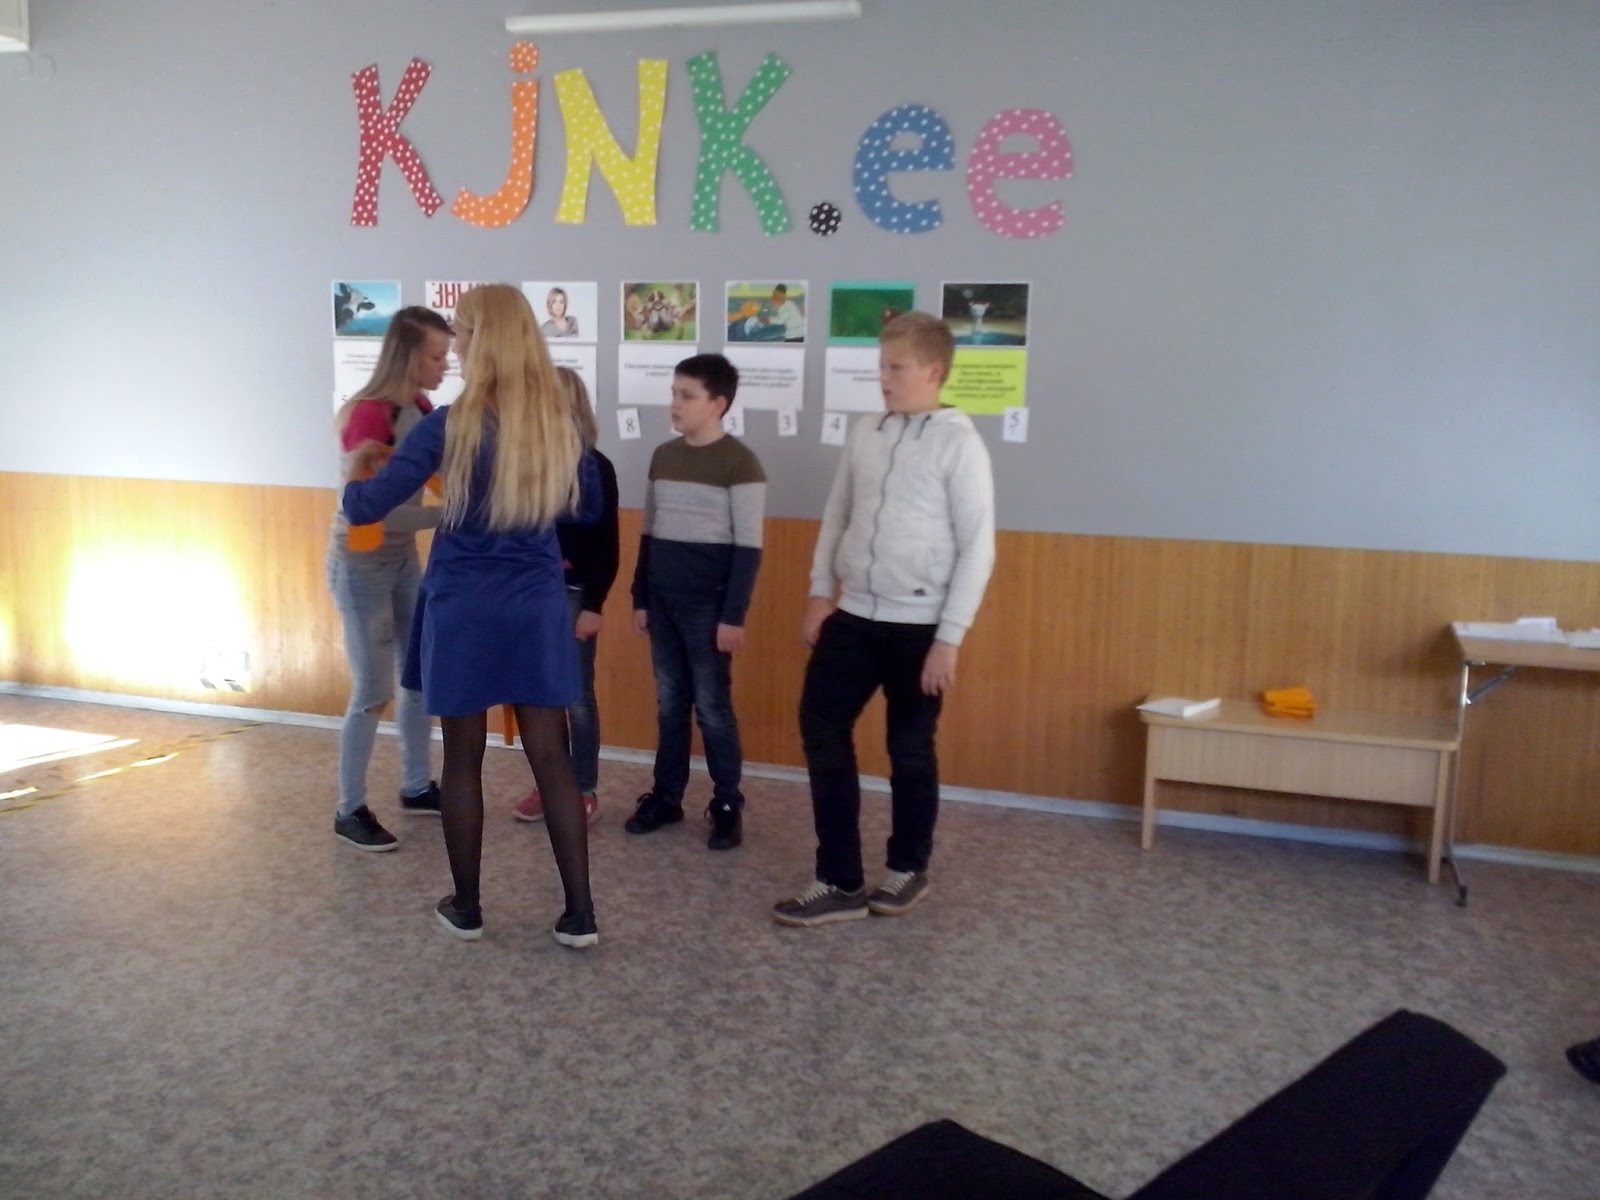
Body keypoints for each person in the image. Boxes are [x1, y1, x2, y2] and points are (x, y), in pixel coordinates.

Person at [342, 283, 603, 948]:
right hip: (535, 602)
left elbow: (365, 507)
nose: (454, 344)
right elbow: (589, 506)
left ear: (480, 341)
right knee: (552, 756)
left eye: (459, 331)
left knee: (462, 757)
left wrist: (355, 472)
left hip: (464, 605)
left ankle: (467, 907)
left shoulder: (448, 425)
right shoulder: (554, 423)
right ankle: (579, 915)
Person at [773, 311, 996, 927]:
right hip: (856, 614)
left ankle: (907, 867)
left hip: (921, 627)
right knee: (821, 725)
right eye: (881, 366)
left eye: (897, 368)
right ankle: (839, 879)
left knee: (909, 746)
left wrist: (949, 638)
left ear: (934, 372)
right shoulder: (866, 432)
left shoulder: (959, 443)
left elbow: (978, 547)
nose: (884, 378)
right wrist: (820, 593)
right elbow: (837, 514)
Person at [628, 353, 766, 850]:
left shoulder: (740, 463)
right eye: (674, 393)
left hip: (709, 607)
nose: (676, 404)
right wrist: (640, 596)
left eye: (687, 396)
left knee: (711, 708)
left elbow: (748, 548)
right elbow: (649, 533)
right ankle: (667, 797)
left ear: (718, 404)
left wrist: (734, 616)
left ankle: (727, 803)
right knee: (670, 704)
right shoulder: (663, 456)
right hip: (663, 601)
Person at [328, 305, 451, 852]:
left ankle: (417, 786)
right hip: (361, 564)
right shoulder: (368, 415)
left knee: (416, 676)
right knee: (373, 690)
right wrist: (446, 518)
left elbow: (437, 485)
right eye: (436, 357)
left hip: (402, 559)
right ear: (409, 355)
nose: (444, 366)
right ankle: (349, 809)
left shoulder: (422, 409)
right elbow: (368, 512)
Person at [513, 367, 618, 827]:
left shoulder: (595, 467)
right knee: (539, 697)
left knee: (575, 696)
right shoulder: (524, 464)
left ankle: (584, 787)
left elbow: (608, 545)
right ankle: (550, 783)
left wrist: (595, 606)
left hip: (575, 595)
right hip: (532, 594)